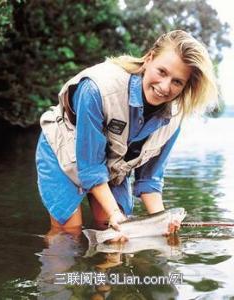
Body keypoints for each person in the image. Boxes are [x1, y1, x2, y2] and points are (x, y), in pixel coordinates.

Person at [35, 30, 218, 241]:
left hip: (113, 165)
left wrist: (162, 221)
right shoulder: (97, 89)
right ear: (149, 58)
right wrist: (116, 214)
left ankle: (102, 269)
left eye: (177, 82)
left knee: (112, 233)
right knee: (69, 233)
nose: (165, 87)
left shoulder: (175, 118)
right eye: (161, 71)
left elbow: (149, 179)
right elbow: (91, 167)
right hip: (62, 151)